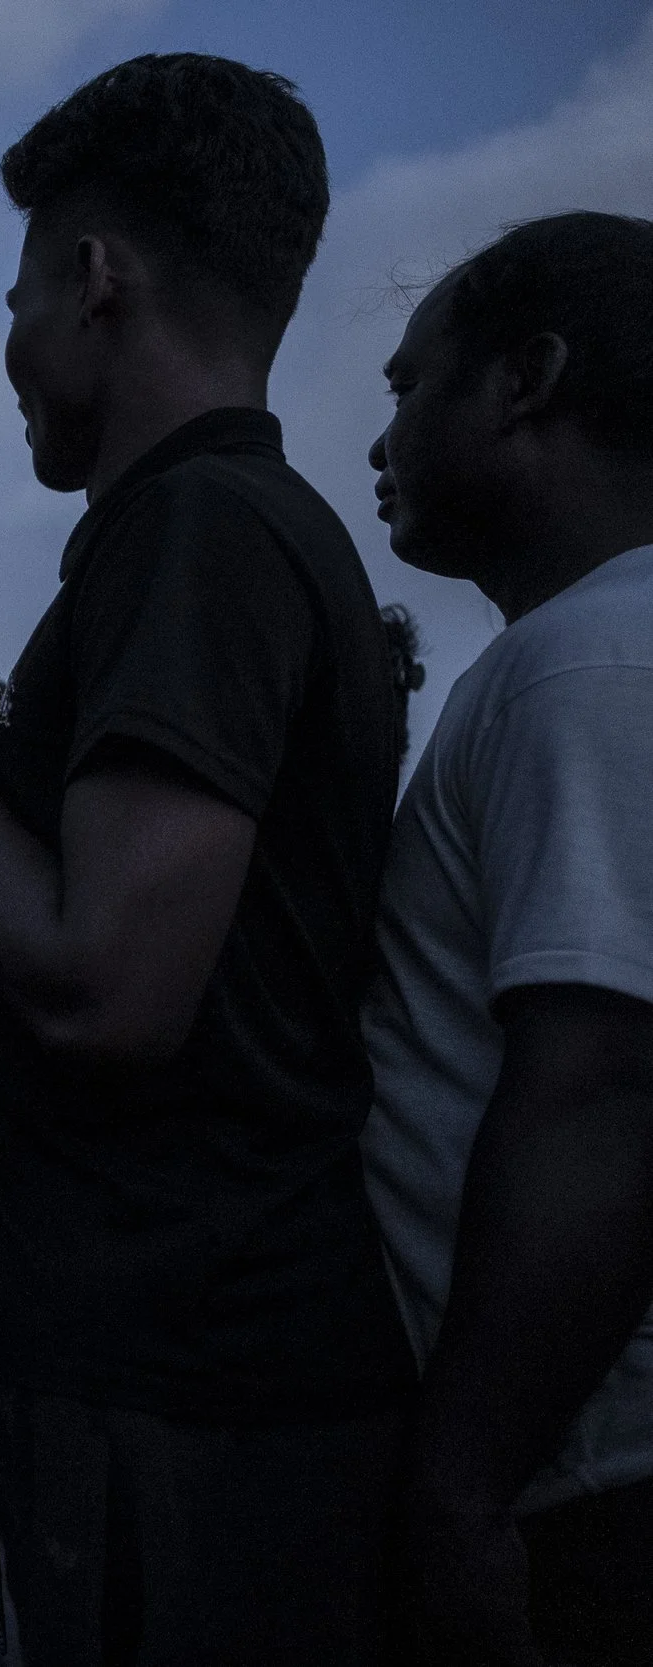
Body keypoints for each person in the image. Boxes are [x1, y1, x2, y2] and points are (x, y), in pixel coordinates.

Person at [0, 55, 413, 1664]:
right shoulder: (227, 530)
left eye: (15, 298)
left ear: (94, 279)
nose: (6, 347)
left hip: (192, 1391)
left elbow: (108, 987)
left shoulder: (199, 531)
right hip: (207, 1376)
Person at [358, 211, 653, 1667]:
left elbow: (600, 1092)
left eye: (412, 386)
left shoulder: (585, 660)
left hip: (597, 1496)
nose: (381, 436)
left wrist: (460, 1486)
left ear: (525, 378)